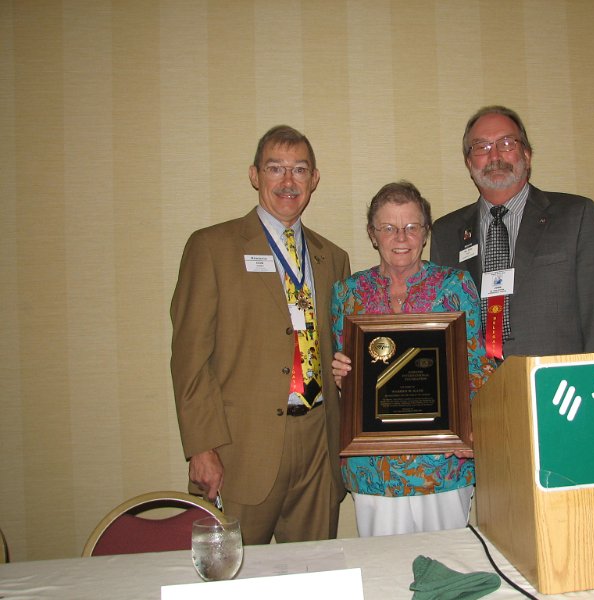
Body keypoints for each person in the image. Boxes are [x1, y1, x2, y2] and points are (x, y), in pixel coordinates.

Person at [170, 125, 350, 544]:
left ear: (314, 180)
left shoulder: (332, 258)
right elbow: (189, 358)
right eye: (276, 168)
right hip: (241, 448)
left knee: (313, 576)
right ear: (255, 175)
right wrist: (202, 447)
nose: (288, 182)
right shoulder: (211, 248)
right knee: (236, 577)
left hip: (319, 444)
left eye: (300, 170)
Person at [331, 181, 494, 537]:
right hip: (373, 465)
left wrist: (469, 431)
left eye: (411, 227)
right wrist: (343, 373)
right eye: (388, 228)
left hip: (443, 462)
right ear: (373, 235)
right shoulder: (348, 293)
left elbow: (478, 367)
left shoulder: (456, 285)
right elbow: (349, 373)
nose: (400, 237)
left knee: (449, 572)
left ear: (426, 232)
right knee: (384, 575)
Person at [430, 105, 594, 359]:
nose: (494, 156)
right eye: (481, 147)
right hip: (475, 390)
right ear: (469, 162)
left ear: (527, 155)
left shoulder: (575, 215)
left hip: (557, 386)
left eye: (506, 143)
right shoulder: (445, 233)